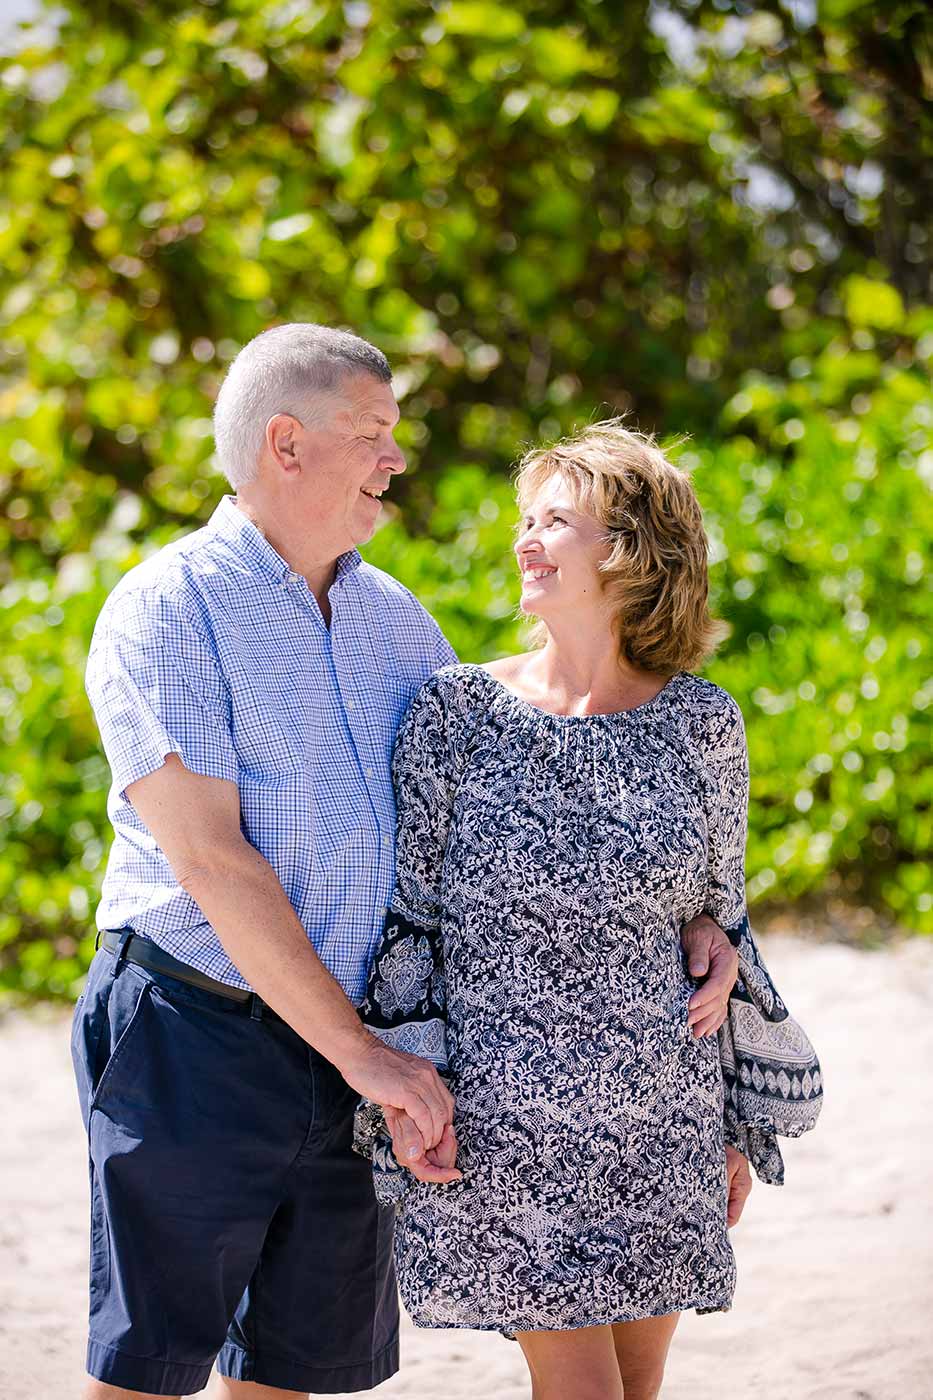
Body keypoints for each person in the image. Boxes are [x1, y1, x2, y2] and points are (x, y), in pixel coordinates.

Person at [73, 324, 742, 1400]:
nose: (396, 459)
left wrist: (690, 914)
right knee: (148, 1368)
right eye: (373, 434)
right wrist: (372, 1061)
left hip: (356, 1051)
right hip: (200, 1031)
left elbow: (509, 820)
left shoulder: (397, 624)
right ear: (286, 445)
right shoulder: (166, 607)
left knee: (291, 1370)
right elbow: (211, 858)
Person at [357, 420, 823, 1400]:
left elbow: (725, 925)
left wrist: (733, 1124)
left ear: (630, 553)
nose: (526, 538)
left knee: (633, 1391)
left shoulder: (703, 723)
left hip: (661, 1123)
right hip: (507, 1130)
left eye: (556, 520)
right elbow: (413, 929)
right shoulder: (454, 712)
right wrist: (405, 1092)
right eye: (527, 519)